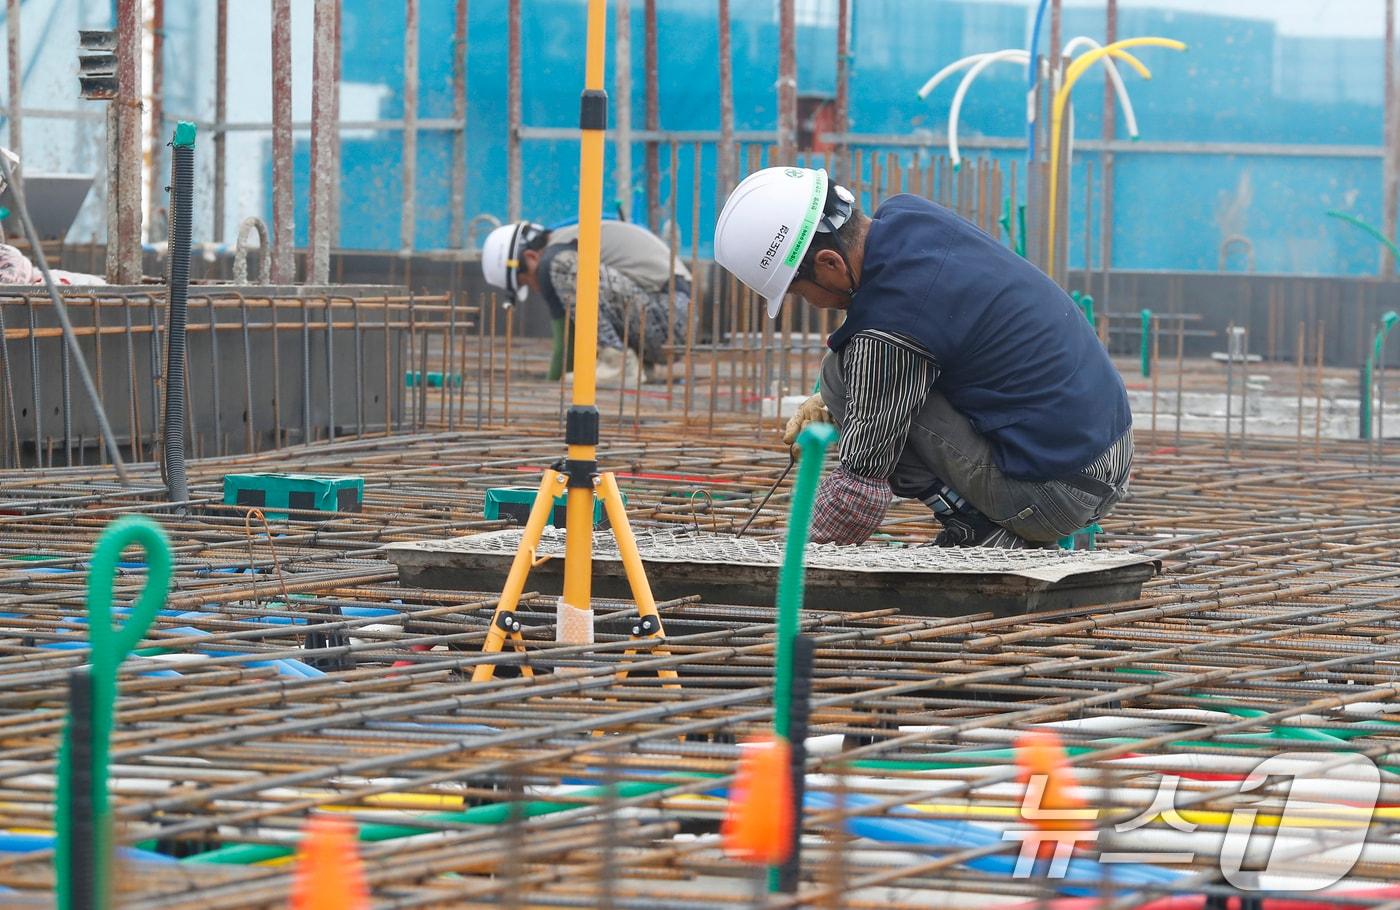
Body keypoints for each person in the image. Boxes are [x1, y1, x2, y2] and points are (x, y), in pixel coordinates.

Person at [712, 166, 1132, 548]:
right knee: (844, 375)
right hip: (1107, 454)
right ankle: (986, 511)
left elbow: (861, 483)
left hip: (1058, 493)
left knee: (853, 380)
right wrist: (826, 402)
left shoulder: (889, 330)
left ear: (830, 263)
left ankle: (977, 525)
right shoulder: (911, 217)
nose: (814, 303)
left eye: (802, 292)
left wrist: (789, 556)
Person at [481, 218, 691, 383]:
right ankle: (635, 366)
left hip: (668, 315)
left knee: (559, 265)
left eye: (526, 282)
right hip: (667, 320)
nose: (535, 290)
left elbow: (566, 340)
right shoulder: (568, 239)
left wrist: (553, 381)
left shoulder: (554, 257)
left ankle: (616, 362)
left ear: (531, 257)